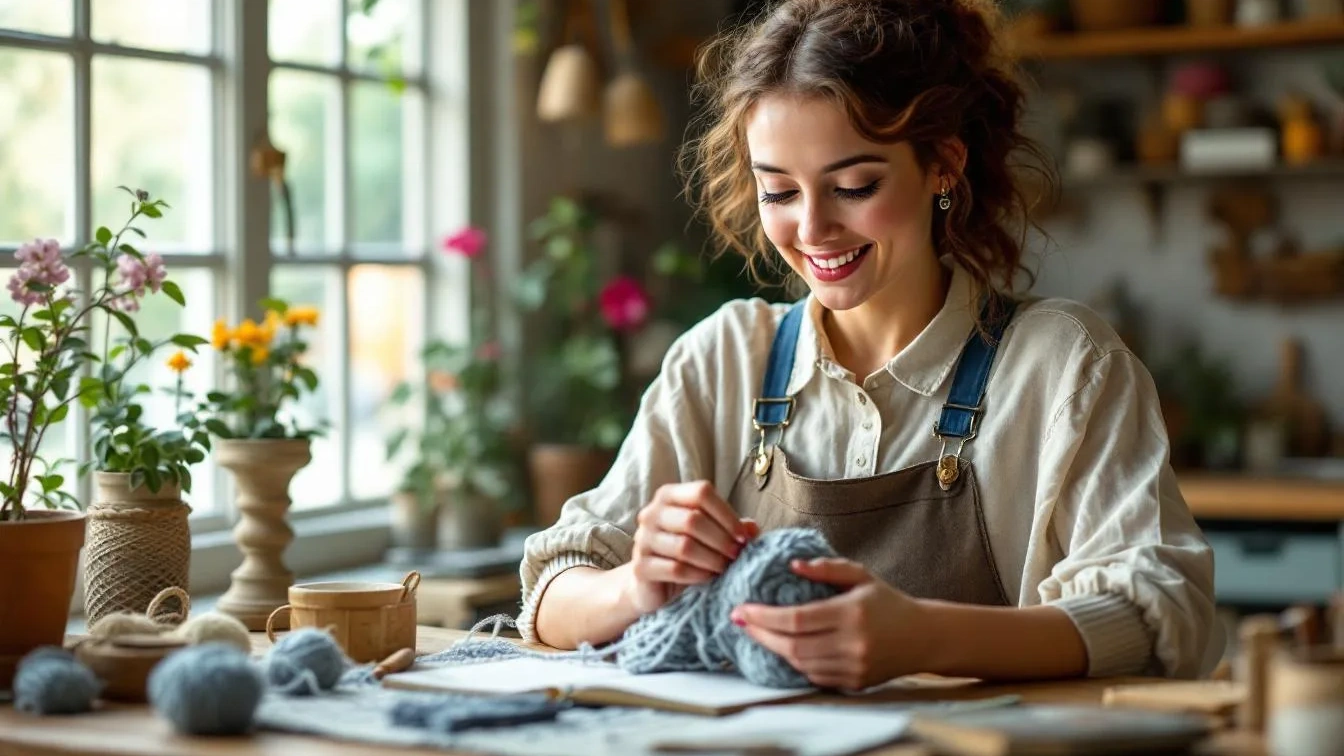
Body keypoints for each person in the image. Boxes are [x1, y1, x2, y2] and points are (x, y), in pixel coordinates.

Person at [517, 0, 1217, 688]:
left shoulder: (1065, 365)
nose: (812, 229)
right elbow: (551, 589)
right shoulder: (723, 358)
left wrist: (924, 636)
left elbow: (1162, 613)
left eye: (854, 186)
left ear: (943, 165)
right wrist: (637, 585)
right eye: (779, 193)